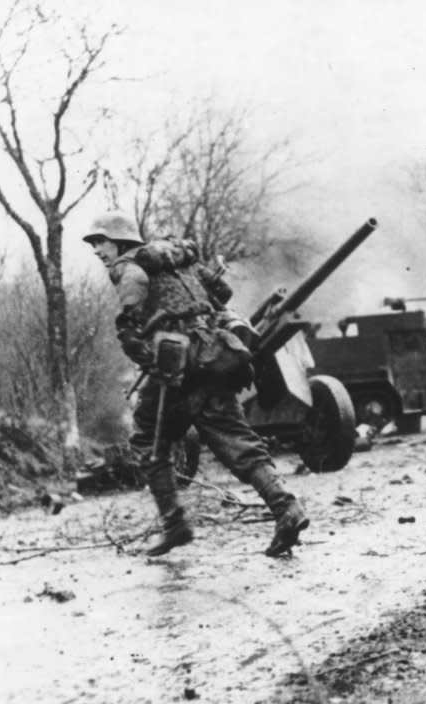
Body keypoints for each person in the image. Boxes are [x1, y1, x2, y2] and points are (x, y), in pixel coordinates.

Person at [83, 212, 309, 557]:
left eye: (100, 242)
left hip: (177, 370)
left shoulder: (129, 268)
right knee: (240, 442)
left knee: (148, 442)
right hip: (214, 358)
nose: (97, 250)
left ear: (120, 240)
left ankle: (175, 525)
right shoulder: (176, 258)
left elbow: (130, 321)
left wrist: (142, 346)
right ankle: (287, 509)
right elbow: (222, 291)